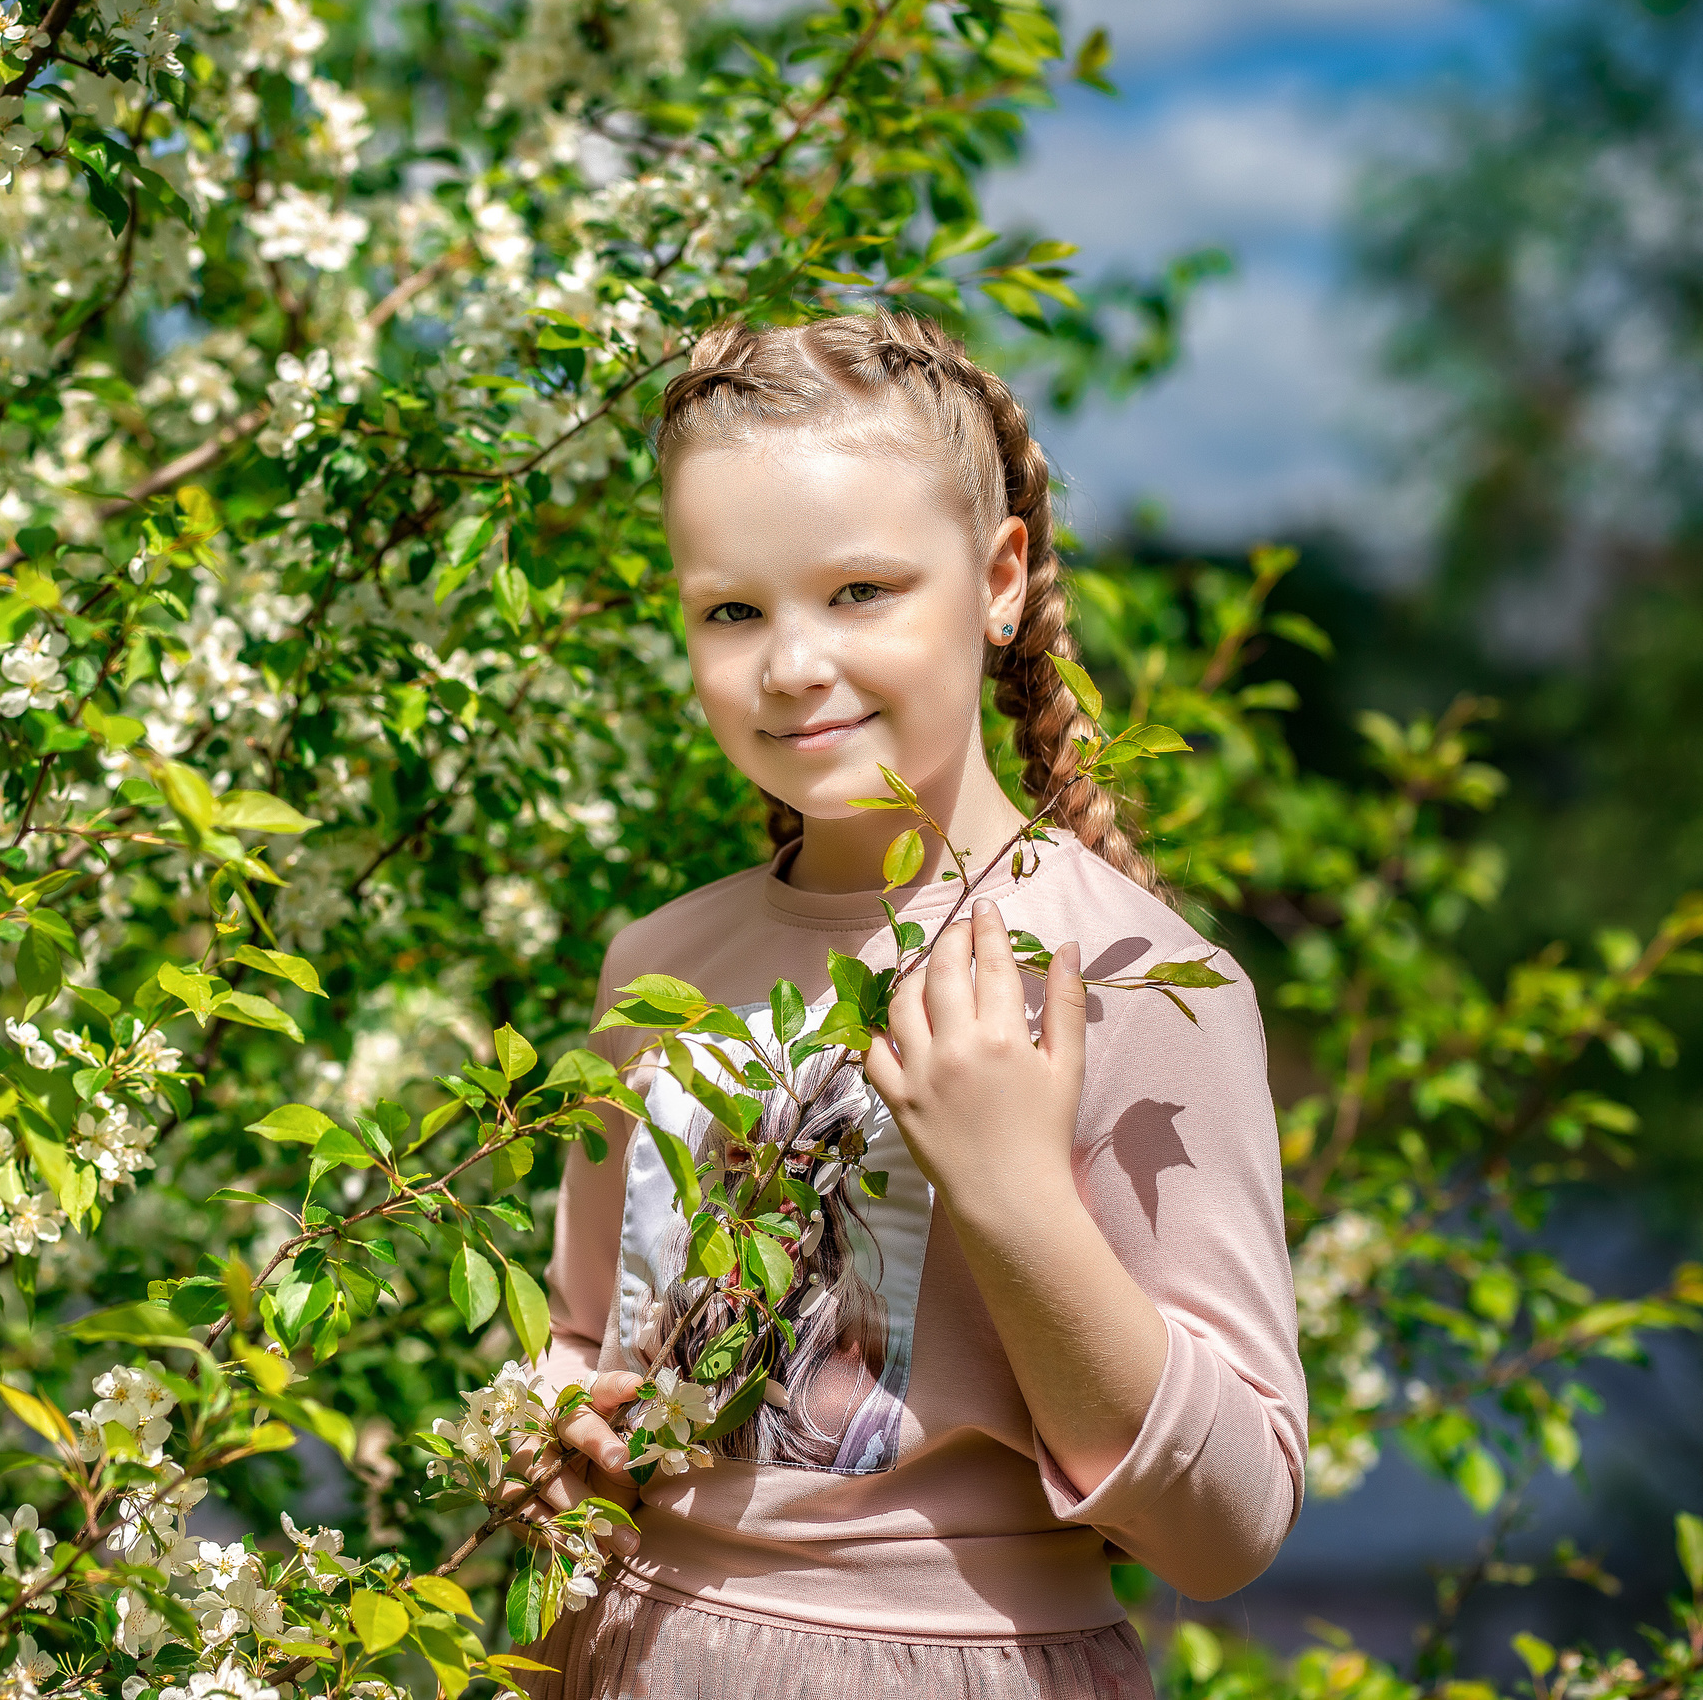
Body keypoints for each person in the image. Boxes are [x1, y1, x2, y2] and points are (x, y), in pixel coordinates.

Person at [522, 312, 1307, 1699]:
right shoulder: (656, 964)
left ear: (999, 578)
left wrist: (1012, 1189)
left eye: (863, 591)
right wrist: (558, 1434)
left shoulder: (1127, 981)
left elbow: (1228, 1527)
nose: (792, 664)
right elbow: (588, 1342)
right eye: (732, 610)